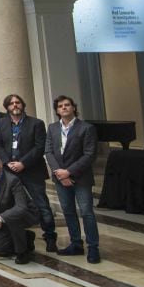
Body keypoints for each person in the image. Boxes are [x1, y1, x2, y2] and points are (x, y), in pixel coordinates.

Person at [0, 94, 57, 253]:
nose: (15, 105)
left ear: (23, 105)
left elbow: (39, 147)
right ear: (7, 107)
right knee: (11, 205)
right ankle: (16, 238)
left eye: (18, 102)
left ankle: (50, 237)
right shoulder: (1, 123)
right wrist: (7, 162)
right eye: (11, 103)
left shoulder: (36, 123)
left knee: (41, 204)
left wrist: (23, 163)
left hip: (32, 171)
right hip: (9, 170)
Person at [45, 95, 100, 263]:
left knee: (87, 212)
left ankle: (93, 247)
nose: (64, 108)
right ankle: (76, 243)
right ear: (56, 110)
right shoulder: (53, 127)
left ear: (73, 107)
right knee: (68, 211)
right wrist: (59, 173)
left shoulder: (86, 128)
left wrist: (69, 172)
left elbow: (89, 155)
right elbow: (48, 152)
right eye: (60, 106)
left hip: (80, 178)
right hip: (60, 179)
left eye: (67, 105)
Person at [0, 150, 38, 263]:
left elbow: (21, 207)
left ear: (0, 164)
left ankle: (23, 251)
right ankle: (27, 236)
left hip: (23, 214)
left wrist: (0, 218)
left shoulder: (12, 180)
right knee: (0, 250)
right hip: (1, 215)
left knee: (14, 218)